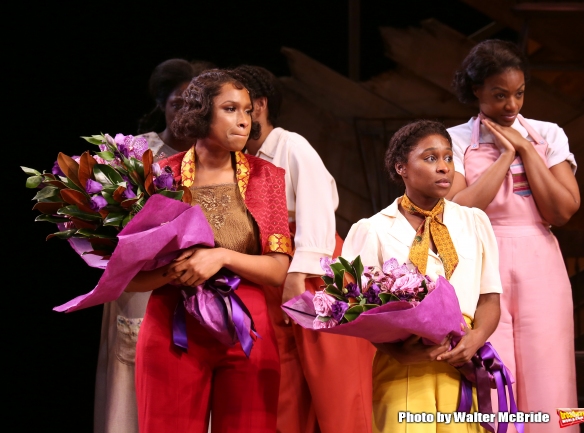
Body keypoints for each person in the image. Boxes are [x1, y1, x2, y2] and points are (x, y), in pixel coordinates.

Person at [127, 69, 292, 433]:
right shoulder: (158, 177)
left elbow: (279, 269)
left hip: (248, 327)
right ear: (202, 113)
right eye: (231, 109)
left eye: (247, 111)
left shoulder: (268, 176)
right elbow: (128, 278)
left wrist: (221, 256)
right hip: (173, 324)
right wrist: (176, 272)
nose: (244, 121)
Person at [231, 65, 376, 433]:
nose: (235, 118)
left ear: (259, 105)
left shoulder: (292, 146)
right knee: (285, 385)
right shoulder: (239, 159)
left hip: (316, 273)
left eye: (240, 108)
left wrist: (298, 274)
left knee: (335, 387)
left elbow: (319, 213)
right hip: (272, 271)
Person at [447, 40, 580, 433]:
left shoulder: (547, 134)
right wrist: (505, 156)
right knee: (494, 365)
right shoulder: (455, 139)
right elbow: (458, 210)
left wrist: (525, 148)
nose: (512, 106)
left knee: (549, 366)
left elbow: (563, 209)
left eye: (519, 93)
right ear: (477, 91)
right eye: (500, 95)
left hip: (540, 258)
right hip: (482, 260)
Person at [342, 120, 503, 433]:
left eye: (448, 158)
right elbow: (353, 307)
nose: (443, 167)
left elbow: (490, 298)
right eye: (430, 158)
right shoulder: (372, 229)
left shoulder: (474, 222)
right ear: (401, 167)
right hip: (405, 368)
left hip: (461, 364)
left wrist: (476, 338)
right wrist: (399, 351)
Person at [94, 58, 199, 433]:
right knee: (133, 383)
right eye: (177, 104)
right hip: (142, 285)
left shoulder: (218, 158)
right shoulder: (138, 154)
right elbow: (105, 223)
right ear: (162, 106)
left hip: (200, 284)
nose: (185, 113)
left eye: (194, 104)